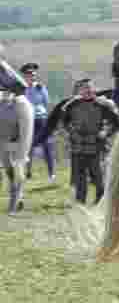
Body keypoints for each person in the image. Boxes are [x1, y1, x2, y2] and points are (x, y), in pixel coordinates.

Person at [58, 79, 119, 204]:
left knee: (98, 175)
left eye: (89, 88)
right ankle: (80, 201)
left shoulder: (103, 105)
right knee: (80, 176)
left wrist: (105, 133)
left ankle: (101, 200)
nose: (87, 91)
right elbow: (64, 121)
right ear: (79, 91)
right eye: (84, 88)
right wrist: (71, 133)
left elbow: (117, 122)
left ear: (94, 90)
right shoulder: (72, 105)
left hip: (96, 146)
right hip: (78, 146)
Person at [0, 59, 32, 214]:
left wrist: (8, 94)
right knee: (7, 166)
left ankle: (15, 200)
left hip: (15, 109)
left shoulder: (3, 67)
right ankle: (17, 196)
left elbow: (21, 86)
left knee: (17, 163)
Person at [20, 63, 55, 182]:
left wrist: (42, 113)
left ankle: (51, 173)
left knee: (47, 145)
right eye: (29, 74)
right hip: (27, 119)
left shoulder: (40, 87)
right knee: (27, 146)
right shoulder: (21, 89)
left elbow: (46, 102)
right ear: (24, 76)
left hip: (41, 119)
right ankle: (28, 172)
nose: (31, 76)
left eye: (33, 74)